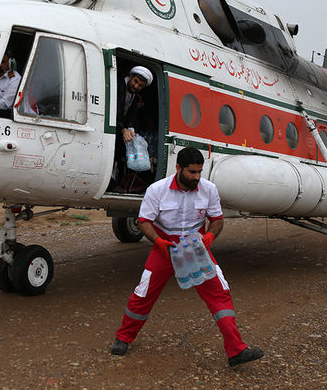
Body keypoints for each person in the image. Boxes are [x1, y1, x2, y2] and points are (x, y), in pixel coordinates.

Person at [110, 146, 264, 367]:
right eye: (192, 172)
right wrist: (160, 243)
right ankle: (123, 338)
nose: (197, 177)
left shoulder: (209, 189)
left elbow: (217, 219)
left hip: (197, 249)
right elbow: (144, 222)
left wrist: (210, 236)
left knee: (220, 293)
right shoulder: (157, 189)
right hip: (165, 248)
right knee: (143, 293)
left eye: (200, 172)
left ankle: (236, 350)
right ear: (178, 168)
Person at [110, 66, 154, 192]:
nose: (136, 86)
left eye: (140, 85)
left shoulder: (136, 97)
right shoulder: (117, 85)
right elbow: (114, 111)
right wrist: (123, 129)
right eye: (135, 82)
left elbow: (130, 116)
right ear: (130, 76)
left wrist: (130, 129)